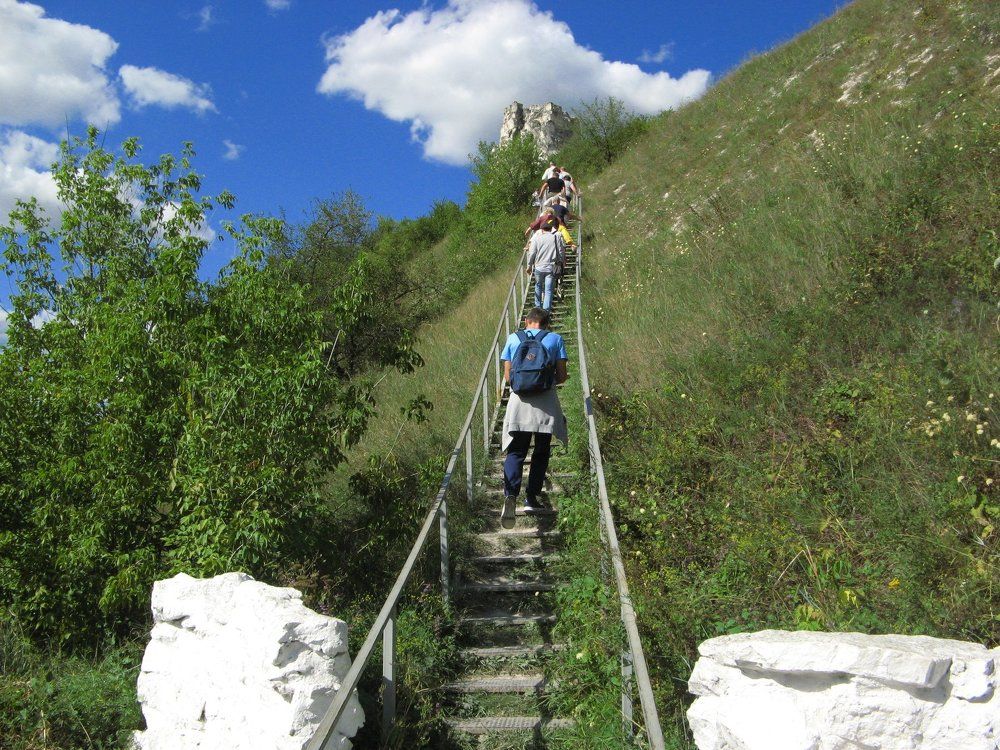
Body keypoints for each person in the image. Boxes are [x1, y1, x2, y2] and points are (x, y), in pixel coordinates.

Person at [499, 307, 569, 525]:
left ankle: (511, 494)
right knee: (541, 451)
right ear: (547, 324)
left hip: (519, 403)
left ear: (526, 321)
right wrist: (544, 382)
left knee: (516, 451)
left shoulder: (513, 338)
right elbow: (562, 376)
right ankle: (531, 498)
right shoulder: (555, 339)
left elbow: (508, 376)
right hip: (546, 404)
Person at [525, 217, 565, 311]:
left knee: (538, 286)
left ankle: (537, 307)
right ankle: (546, 311)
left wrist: (529, 266)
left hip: (539, 267)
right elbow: (560, 251)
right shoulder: (556, 237)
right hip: (551, 267)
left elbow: (532, 253)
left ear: (542, 229)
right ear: (551, 229)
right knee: (548, 290)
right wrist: (561, 262)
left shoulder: (536, 238)